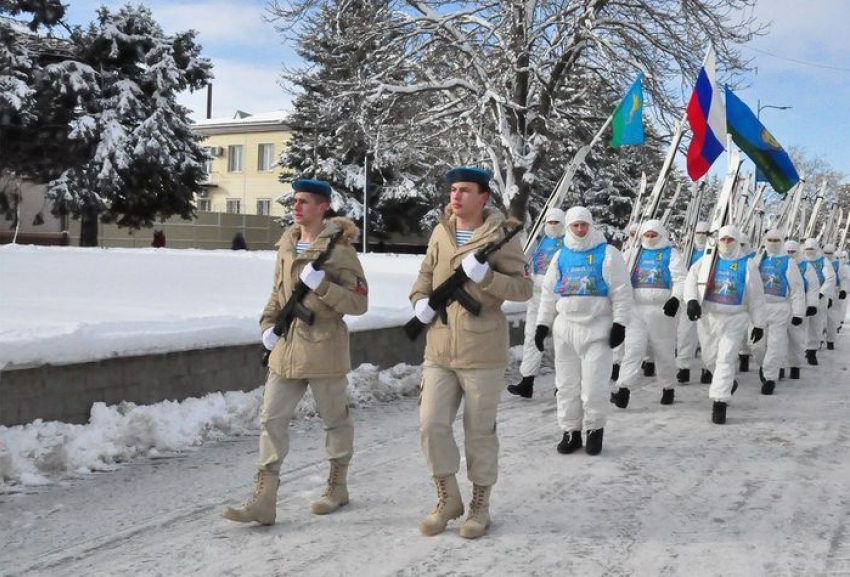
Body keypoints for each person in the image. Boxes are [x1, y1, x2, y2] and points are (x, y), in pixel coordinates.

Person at [222, 179, 368, 526]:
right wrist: (267, 326)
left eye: (305, 202)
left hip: (324, 349)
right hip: (286, 347)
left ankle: (337, 485)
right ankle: (264, 499)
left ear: (323, 208)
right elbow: (278, 293)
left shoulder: (340, 250)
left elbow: (360, 302)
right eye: (295, 201)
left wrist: (326, 287)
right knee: (271, 420)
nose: (297, 207)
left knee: (334, 420)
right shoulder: (287, 243)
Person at [409, 167, 532, 539]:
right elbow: (426, 275)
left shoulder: (503, 236)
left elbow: (524, 289)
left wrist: (487, 278)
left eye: (464, 190)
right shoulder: (440, 232)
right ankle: (448, 498)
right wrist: (419, 302)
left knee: (479, 432)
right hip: (440, 347)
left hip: (482, 350)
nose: (456, 196)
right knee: (431, 424)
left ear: (483, 198)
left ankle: (480, 504)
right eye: (453, 190)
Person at [536, 207, 632, 455]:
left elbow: (621, 291)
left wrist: (620, 323)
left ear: (591, 226)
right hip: (566, 329)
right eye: (575, 225)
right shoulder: (560, 256)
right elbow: (548, 294)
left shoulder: (608, 254)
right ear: (568, 227)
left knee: (593, 386)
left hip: (597, 328)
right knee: (566, 385)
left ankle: (594, 429)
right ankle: (571, 431)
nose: (580, 230)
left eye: (584, 225)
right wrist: (542, 325)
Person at [684, 225, 766, 425]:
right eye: (723, 240)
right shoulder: (708, 261)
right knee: (709, 357)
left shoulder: (748, 265)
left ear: (737, 242)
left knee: (726, 358)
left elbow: (756, 297)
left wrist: (759, 324)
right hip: (709, 317)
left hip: (735, 318)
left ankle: (719, 402)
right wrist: (692, 301)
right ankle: (729, 382)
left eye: (730, 240)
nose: (726, 244)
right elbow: (691, 280)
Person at [610, 220, 686, 408]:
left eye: (654, 235)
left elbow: (681, 278)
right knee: (633, 350)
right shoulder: (633, 254)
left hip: (662, 312)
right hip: (635, 310)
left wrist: (675, 298)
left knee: (664, 351)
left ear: (661, 235)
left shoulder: (671, 254)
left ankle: (668, 387)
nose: (650, 239)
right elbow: (618, 277)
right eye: (647, 235)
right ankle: (623, 390)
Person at [508, 208, 565, 398]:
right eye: (550, 222)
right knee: (532, 338)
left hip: (559, 299)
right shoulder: (539, 242)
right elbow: (529, 264)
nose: (553, 226)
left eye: (556, 222)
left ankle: (563, 384)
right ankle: (527, 381)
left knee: (562, 342)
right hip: (536, 297)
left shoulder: (568, 242)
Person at [754, 229, 805, 395]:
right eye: (770, 239)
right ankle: (763, 365)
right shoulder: (757, 259)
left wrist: (798, 313)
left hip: (780, 308)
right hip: (758, 307)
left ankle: (769, 378)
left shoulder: (788, 262)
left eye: (777, 240)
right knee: (755, 345)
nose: (773, 243)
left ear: (782, 241)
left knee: (776, 344)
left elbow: (797, 289)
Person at [676, 221, 710, 384]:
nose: (701, 236)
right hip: (689, 297)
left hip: (708, 298)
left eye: (705, 233)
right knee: (685, 334)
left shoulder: (713, 253)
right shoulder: (687, 253)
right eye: (699, 233)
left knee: (708, 335)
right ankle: (683, 367)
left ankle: (708, 368)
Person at [785, 240, 820, 380]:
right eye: (787, 252)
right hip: (780, 305)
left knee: (796, 337)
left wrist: (812, 304)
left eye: (792, 252)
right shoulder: (780, 263)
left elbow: (813, 286)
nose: (790, 255)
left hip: (799, 303)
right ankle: (779, 366)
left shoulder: (806, 266)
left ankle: (795, 365)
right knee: (777, 338)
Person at [802, 238, 836, 365]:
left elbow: (830, 278)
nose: (810, 251)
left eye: (812, 249)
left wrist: (822, 292)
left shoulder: (823, 261)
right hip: (803, 297)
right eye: (808, 249)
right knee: (801, 325)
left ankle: (812, 351)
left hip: (819, 298)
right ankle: (801, 350)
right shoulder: (800, 260)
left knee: (816, 325)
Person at [823, 244, 850, 349]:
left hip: (835, 293)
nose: (828, 255)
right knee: (819, 318)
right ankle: (818, 340)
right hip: (822, 293)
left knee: (832, 319)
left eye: (830, 253)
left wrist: (843, 290)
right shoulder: (819, 262)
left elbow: (844, 278)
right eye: (826, 253)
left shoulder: (838, 264)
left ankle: (830, 340)